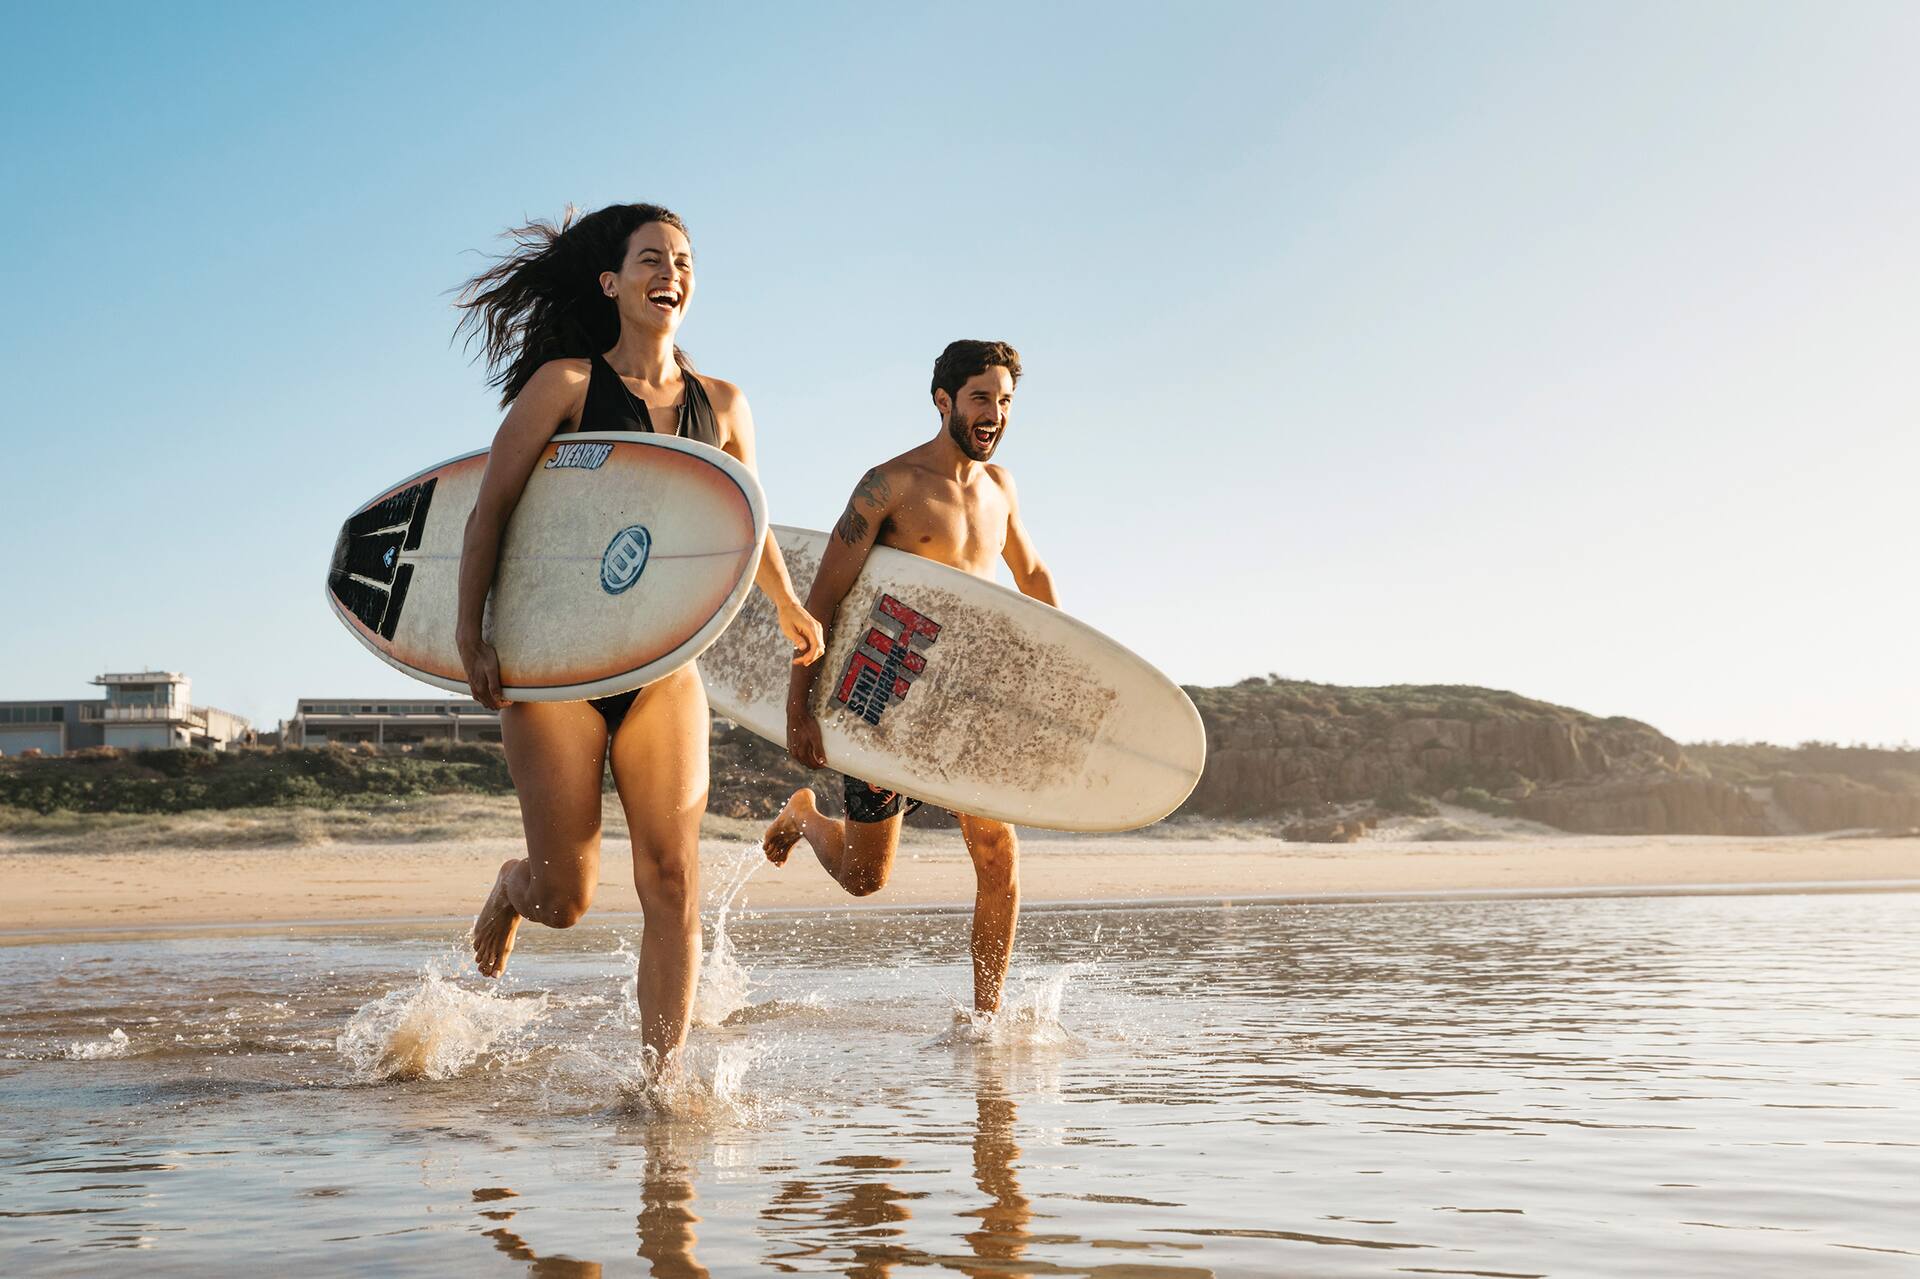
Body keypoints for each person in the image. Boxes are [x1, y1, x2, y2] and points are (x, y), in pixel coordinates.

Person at [453, 203, 824, 1064]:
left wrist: (786, 601)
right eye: (652, 259)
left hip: (664, 665)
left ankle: (663, 1086)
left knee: (672, 878)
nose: (673, 273)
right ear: (612, 283)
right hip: (560, 668)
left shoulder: (724, 404)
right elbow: (489, 512)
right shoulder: (567, 388)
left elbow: (745, 518)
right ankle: (512, 891)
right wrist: (475, 637)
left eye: (685, 261)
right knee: (565, 896)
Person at [761, 340, 1054, 1014]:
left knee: (996, 854)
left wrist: (1066, 662)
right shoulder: (888, 485)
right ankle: (805, 816)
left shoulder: (1001, 489)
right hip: (885, 695)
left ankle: (987, 1017)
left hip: (967, 703)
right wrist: (798, 709)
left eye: (1006, 400)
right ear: (944, 400)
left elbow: (1032, 576)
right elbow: (823, 599)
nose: (996, 413)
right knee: (866, 877)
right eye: (982, 397)